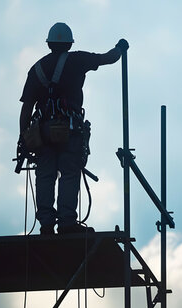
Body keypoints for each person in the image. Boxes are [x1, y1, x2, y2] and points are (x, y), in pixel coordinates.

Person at [19, 22, 128, 235]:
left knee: (45, 175)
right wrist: (121, 47)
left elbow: (26, 108)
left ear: (49, 43)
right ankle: (67, 223)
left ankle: (47, 225)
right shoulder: (77, 59)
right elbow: (108, 58)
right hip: (69, 130)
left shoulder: (36, 69)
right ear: (69, 44)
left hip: (42, 132)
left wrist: (24, 137)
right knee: (69, 172)